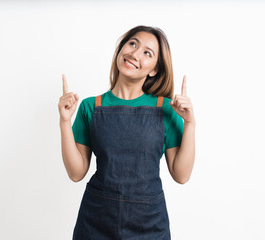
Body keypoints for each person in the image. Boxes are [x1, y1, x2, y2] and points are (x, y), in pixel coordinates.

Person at [58, 25, 196, 240]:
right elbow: (76, 173)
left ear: (154, 69)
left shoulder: (167, 108)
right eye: (132, 43)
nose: (134, 53)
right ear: (121, 48)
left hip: (149, 224)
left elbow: (181, 175)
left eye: (147, 53)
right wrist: (64, 122)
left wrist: (190, 124)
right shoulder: (89, 107)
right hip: (96, 221)